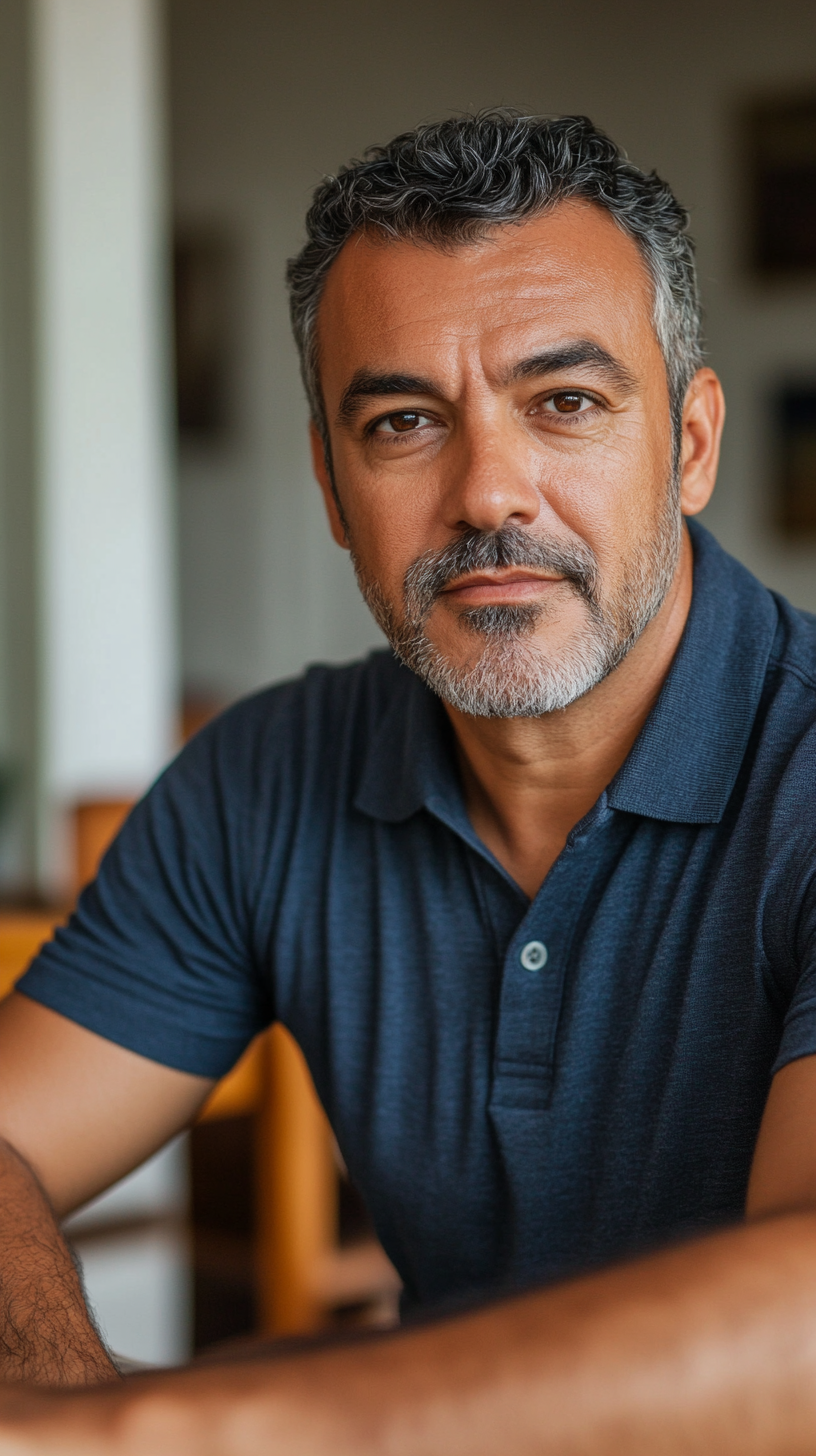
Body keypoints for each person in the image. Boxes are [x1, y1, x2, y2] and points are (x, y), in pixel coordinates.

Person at [0, 109, 814, 1453]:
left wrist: (159, 1432)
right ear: (330, 484)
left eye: (565, 401)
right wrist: (73, 1392)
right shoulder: (263, 780)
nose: (490, 490)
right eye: (402, 422)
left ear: (690, 444)